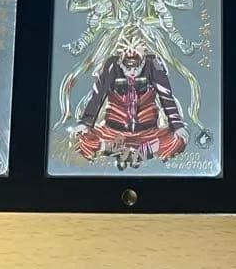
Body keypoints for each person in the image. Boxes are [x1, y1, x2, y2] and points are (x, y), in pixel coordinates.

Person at [72, 30, 189, 170]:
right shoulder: (112, 65)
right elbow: (97, 96)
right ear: (120, 62)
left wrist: (177, 125)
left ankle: (138, 153)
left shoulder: (153, 64)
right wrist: (85, 123)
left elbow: (166, 96)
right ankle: (122, 151)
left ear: (143, 61)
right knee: (82, 139)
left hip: (148, 133)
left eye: (136, 67)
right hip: (113, 133)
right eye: (128, 67)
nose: (132, 71)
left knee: (179, 140)